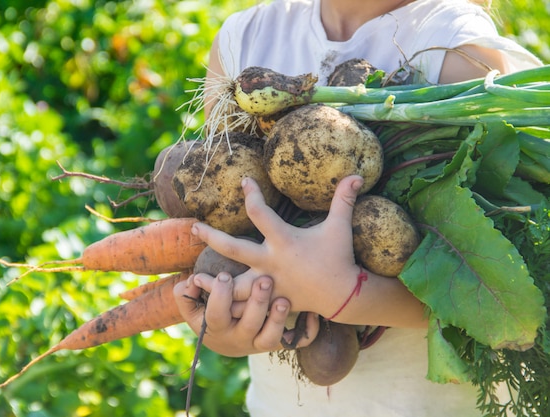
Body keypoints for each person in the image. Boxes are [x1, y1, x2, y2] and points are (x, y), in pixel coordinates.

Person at [174, 0, 543, 415]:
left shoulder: (458, 51)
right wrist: (227, 327)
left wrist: (343, 294)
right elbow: (224, 220)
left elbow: (498, 290)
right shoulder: (244, 38)